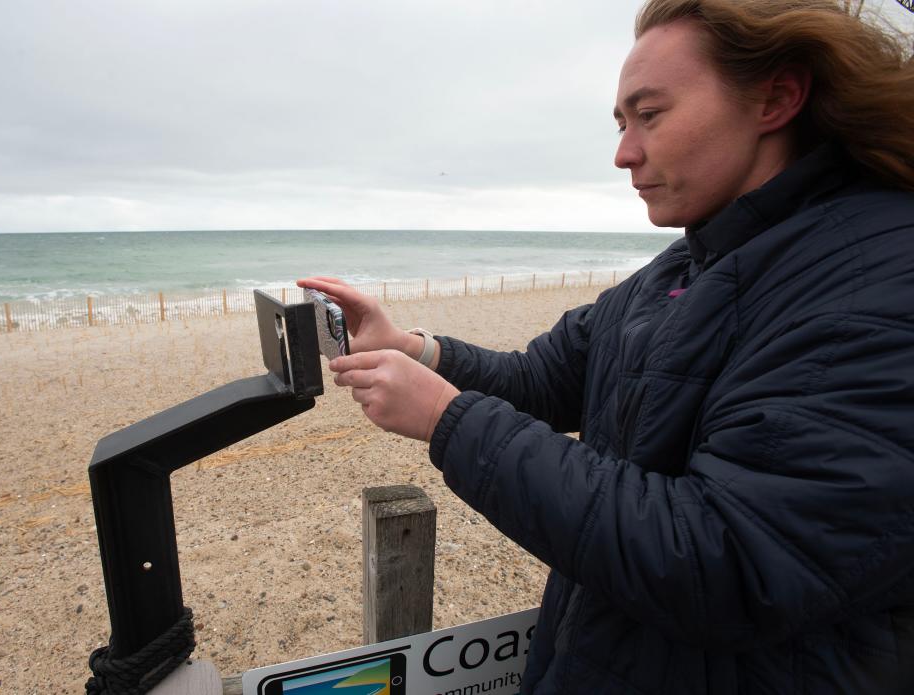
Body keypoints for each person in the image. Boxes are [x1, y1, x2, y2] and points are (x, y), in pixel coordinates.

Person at [299, 0, 914, 691]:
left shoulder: (876, 280)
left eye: (649, 115)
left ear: (776, 97)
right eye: (622, 123)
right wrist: (415, 350)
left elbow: (731, 561)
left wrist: (449, 420)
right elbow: (542, 379)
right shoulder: (691, 264)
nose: (624, 152)